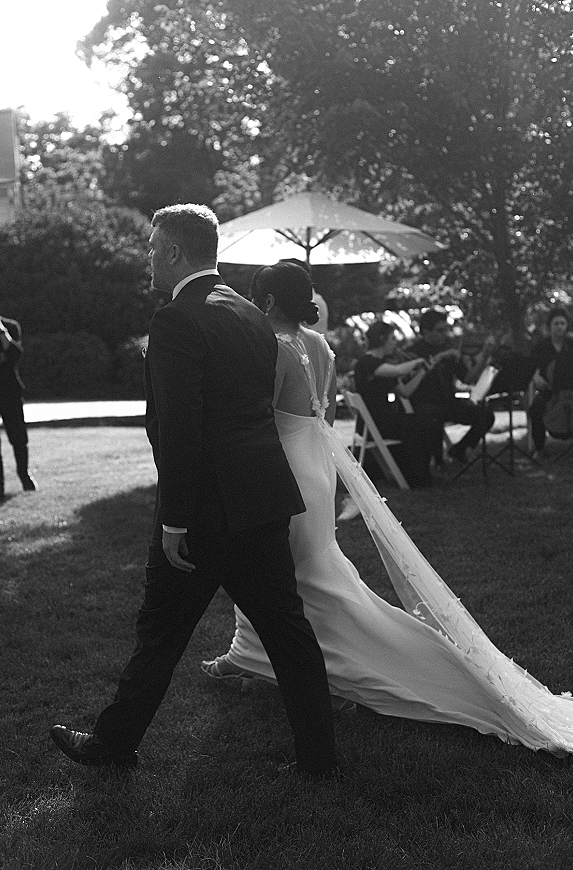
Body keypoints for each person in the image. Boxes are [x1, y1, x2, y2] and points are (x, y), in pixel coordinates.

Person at [201, 263, 573, 757]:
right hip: (318, 467)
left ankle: (341, 672)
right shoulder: (321, 347)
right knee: (294, 571)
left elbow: (258, 421)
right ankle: (245, 655)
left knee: (291, 575)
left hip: (283, 470)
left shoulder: (269, 347)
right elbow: (327, 418)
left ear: (268, 303)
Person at [50, 205, 339, 780]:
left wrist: (176, 518)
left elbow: (177, 426)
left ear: (176, 252)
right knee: (288, 630)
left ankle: (112, 746)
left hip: (205, 511)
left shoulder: (177, 319)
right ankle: (319, 759)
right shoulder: (251, 314)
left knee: (159, 632)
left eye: (154, 247)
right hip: (261, 500)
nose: (149, 257)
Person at [353, 320, 445, 486]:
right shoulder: (368, 363)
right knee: (422, 422)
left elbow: (405, 392)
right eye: (392, 339)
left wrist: (422, 372)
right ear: (382, 339)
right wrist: (417, 362)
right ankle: (418, 476)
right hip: (376, 422)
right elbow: (398, 370)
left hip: (384, 420)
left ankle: (420, 473)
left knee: (429, 417)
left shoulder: (383, 366)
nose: (395, 343)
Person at [405, 309, 496, 462]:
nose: (445, 334)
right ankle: (437, 461)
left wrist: (484, 357)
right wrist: (440, 357)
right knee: (432, 417)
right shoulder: (413, 352)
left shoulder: (449, 349)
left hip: (447, 402)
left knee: (485, 415)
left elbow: (467, 378)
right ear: (426, 331)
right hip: (423, 404)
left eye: (447, 329)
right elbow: (410, 378)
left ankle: (459, 450)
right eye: (440, 330)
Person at [0, 313, 36, 500]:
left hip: (9, 389)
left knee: (18, 436)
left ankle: (24, 475)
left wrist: (0, 331)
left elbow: (14, 354)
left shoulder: (11, 326)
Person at [527, 307, 573, 453]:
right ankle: (539, 448)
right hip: (550, 392)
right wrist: (535, 377)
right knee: (535, 409)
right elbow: (530, 369)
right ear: (549, 326)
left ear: (567, 325)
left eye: (562, 323)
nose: (559, 327)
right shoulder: (540, 348)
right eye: (556, 323)